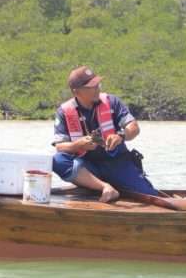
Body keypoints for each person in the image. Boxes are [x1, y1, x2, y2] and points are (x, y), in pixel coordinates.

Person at [52, 66, 158, 202]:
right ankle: (105, 187)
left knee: (150, 196)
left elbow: (134, 128)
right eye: (92, 86)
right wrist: (78, 145)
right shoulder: (64, 111)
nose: (97, 88)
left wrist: (121, 136)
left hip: (118, 163)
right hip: (89, 168)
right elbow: (60, 147)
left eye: (98, 84)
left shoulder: (112, 102)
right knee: (58, 160)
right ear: (76, 92)